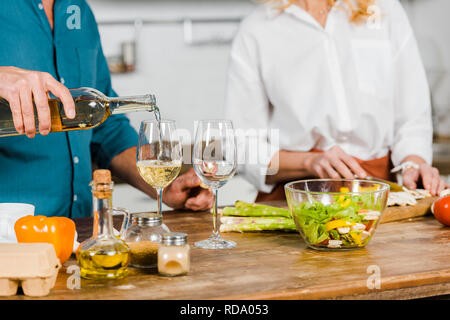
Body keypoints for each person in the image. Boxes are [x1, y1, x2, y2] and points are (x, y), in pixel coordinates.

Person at [0, 0, 212, 217]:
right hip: (9, 240)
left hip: (77, 234)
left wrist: (165, 187)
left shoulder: (79, 11)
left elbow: (106, 130)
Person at [225, 0, 449, 201]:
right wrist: (308, 162)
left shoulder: (385, 9)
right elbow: (242, 146)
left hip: (379, 199)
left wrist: (413, 165)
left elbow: (412, 121)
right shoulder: (257, 28)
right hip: (293, 202)